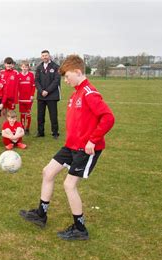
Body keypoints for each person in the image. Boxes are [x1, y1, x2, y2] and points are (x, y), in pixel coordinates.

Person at [19, 55, 115, 241]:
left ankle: (80, 228)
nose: (65, 79)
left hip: (84, 149)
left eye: (67, 76)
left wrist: (93, 141)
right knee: (48, 173)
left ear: (78, 72)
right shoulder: (76, 93)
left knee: (69, 185)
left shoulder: (89, 92)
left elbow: (108, 118)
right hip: (71, 146)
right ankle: (41, 214)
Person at [35, 50, 61, 139]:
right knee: (40, 115)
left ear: (49, 56)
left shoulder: (56, 67)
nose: (45, 57)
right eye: (43, 55)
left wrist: (47, 91)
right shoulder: (39, 67)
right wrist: (41, 91)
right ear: (41, 57)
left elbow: (56, 81)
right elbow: (36, 81)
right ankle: (40, 132)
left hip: (52, 95)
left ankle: (55, 133)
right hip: (41, 95)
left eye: (46, 55)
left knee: (53, 115)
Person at [18, 61, 36, 135]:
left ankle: (27, 128)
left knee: (28, 113)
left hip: (29, 98)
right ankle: (22, 128)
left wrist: (32, 95)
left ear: (28, 67)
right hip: (21, 98)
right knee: (22, 113)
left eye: (26, 67)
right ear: (21, 67)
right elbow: (16, 87)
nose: (24, 68)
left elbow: (33, 86)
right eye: (23, 67)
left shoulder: (31, 75)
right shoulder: (18, 75)